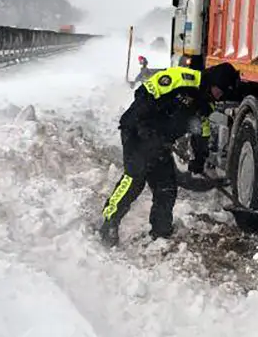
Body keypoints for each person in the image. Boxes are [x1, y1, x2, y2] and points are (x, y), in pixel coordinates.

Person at [97, 61, 240, 247]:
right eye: (218, 90)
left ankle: (160, 232)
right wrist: (144, 127)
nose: (218, 96)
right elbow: (144, 93)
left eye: (222, 93)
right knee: (135, 178)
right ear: (212, 81)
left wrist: (199, 157)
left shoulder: (206, 103)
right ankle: (109, 221)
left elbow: (201, 129)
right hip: (136, 131)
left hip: (160, 142)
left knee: (166, 187)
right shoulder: (182, 79)